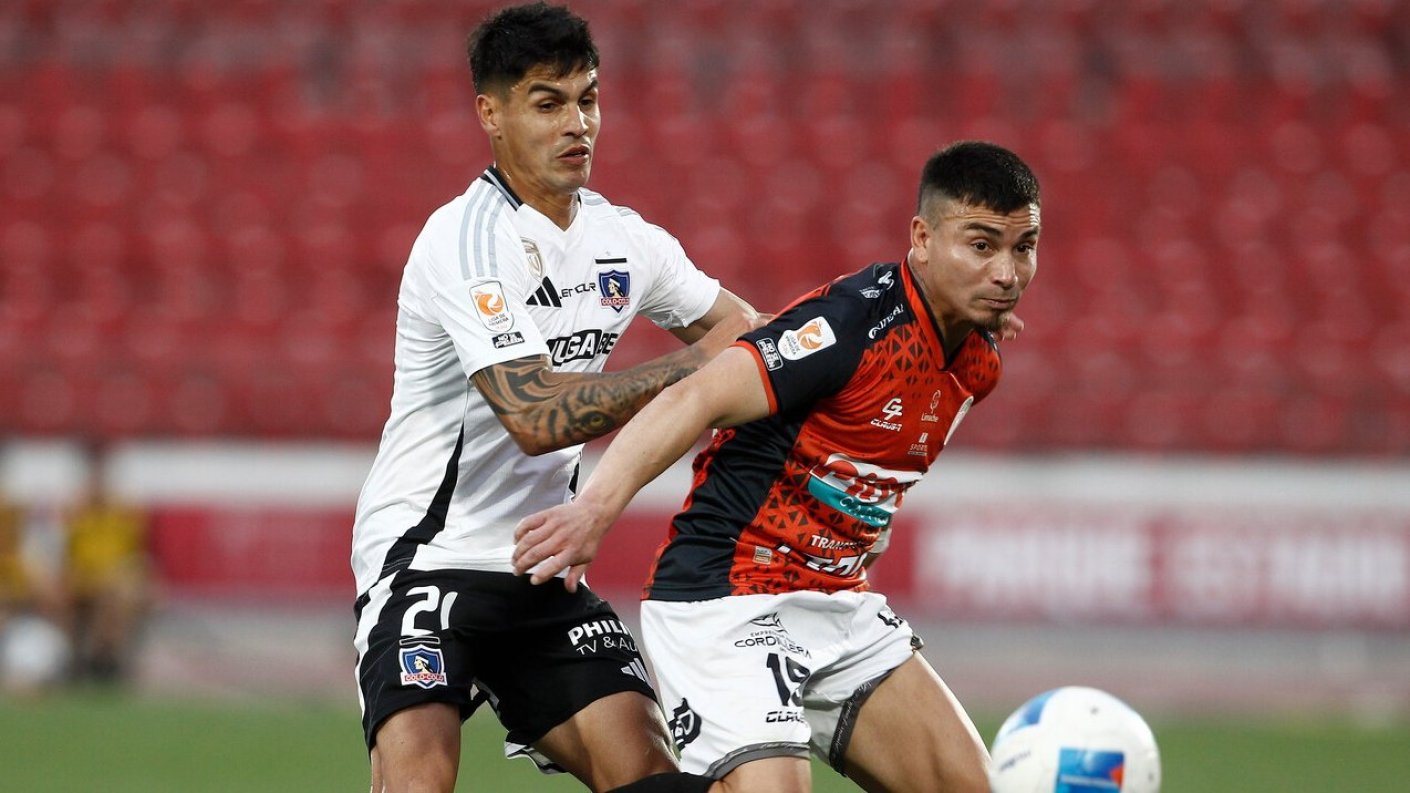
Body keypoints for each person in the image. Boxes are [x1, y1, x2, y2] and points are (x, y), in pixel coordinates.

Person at [514, 140, 1042, 793]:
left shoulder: (977, 360)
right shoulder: (849, 327)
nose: (1007, 272)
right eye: (981, 245)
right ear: (923, 239)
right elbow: (694, 397)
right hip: (730, 596)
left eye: (1023, 248)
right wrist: (593, 510)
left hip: (837, 600)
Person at [350, 4, 762, 793]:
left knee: (649, 774)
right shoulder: (465, 239)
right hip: (427, 556)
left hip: (540, 561)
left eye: (588, 99)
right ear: (491, 114)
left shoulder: (627, 240)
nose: (578, 124)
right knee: (417, 781)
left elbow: (756, 341)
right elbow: (535, 417)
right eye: (548, 103)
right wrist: (694, 367)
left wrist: (902, 318)